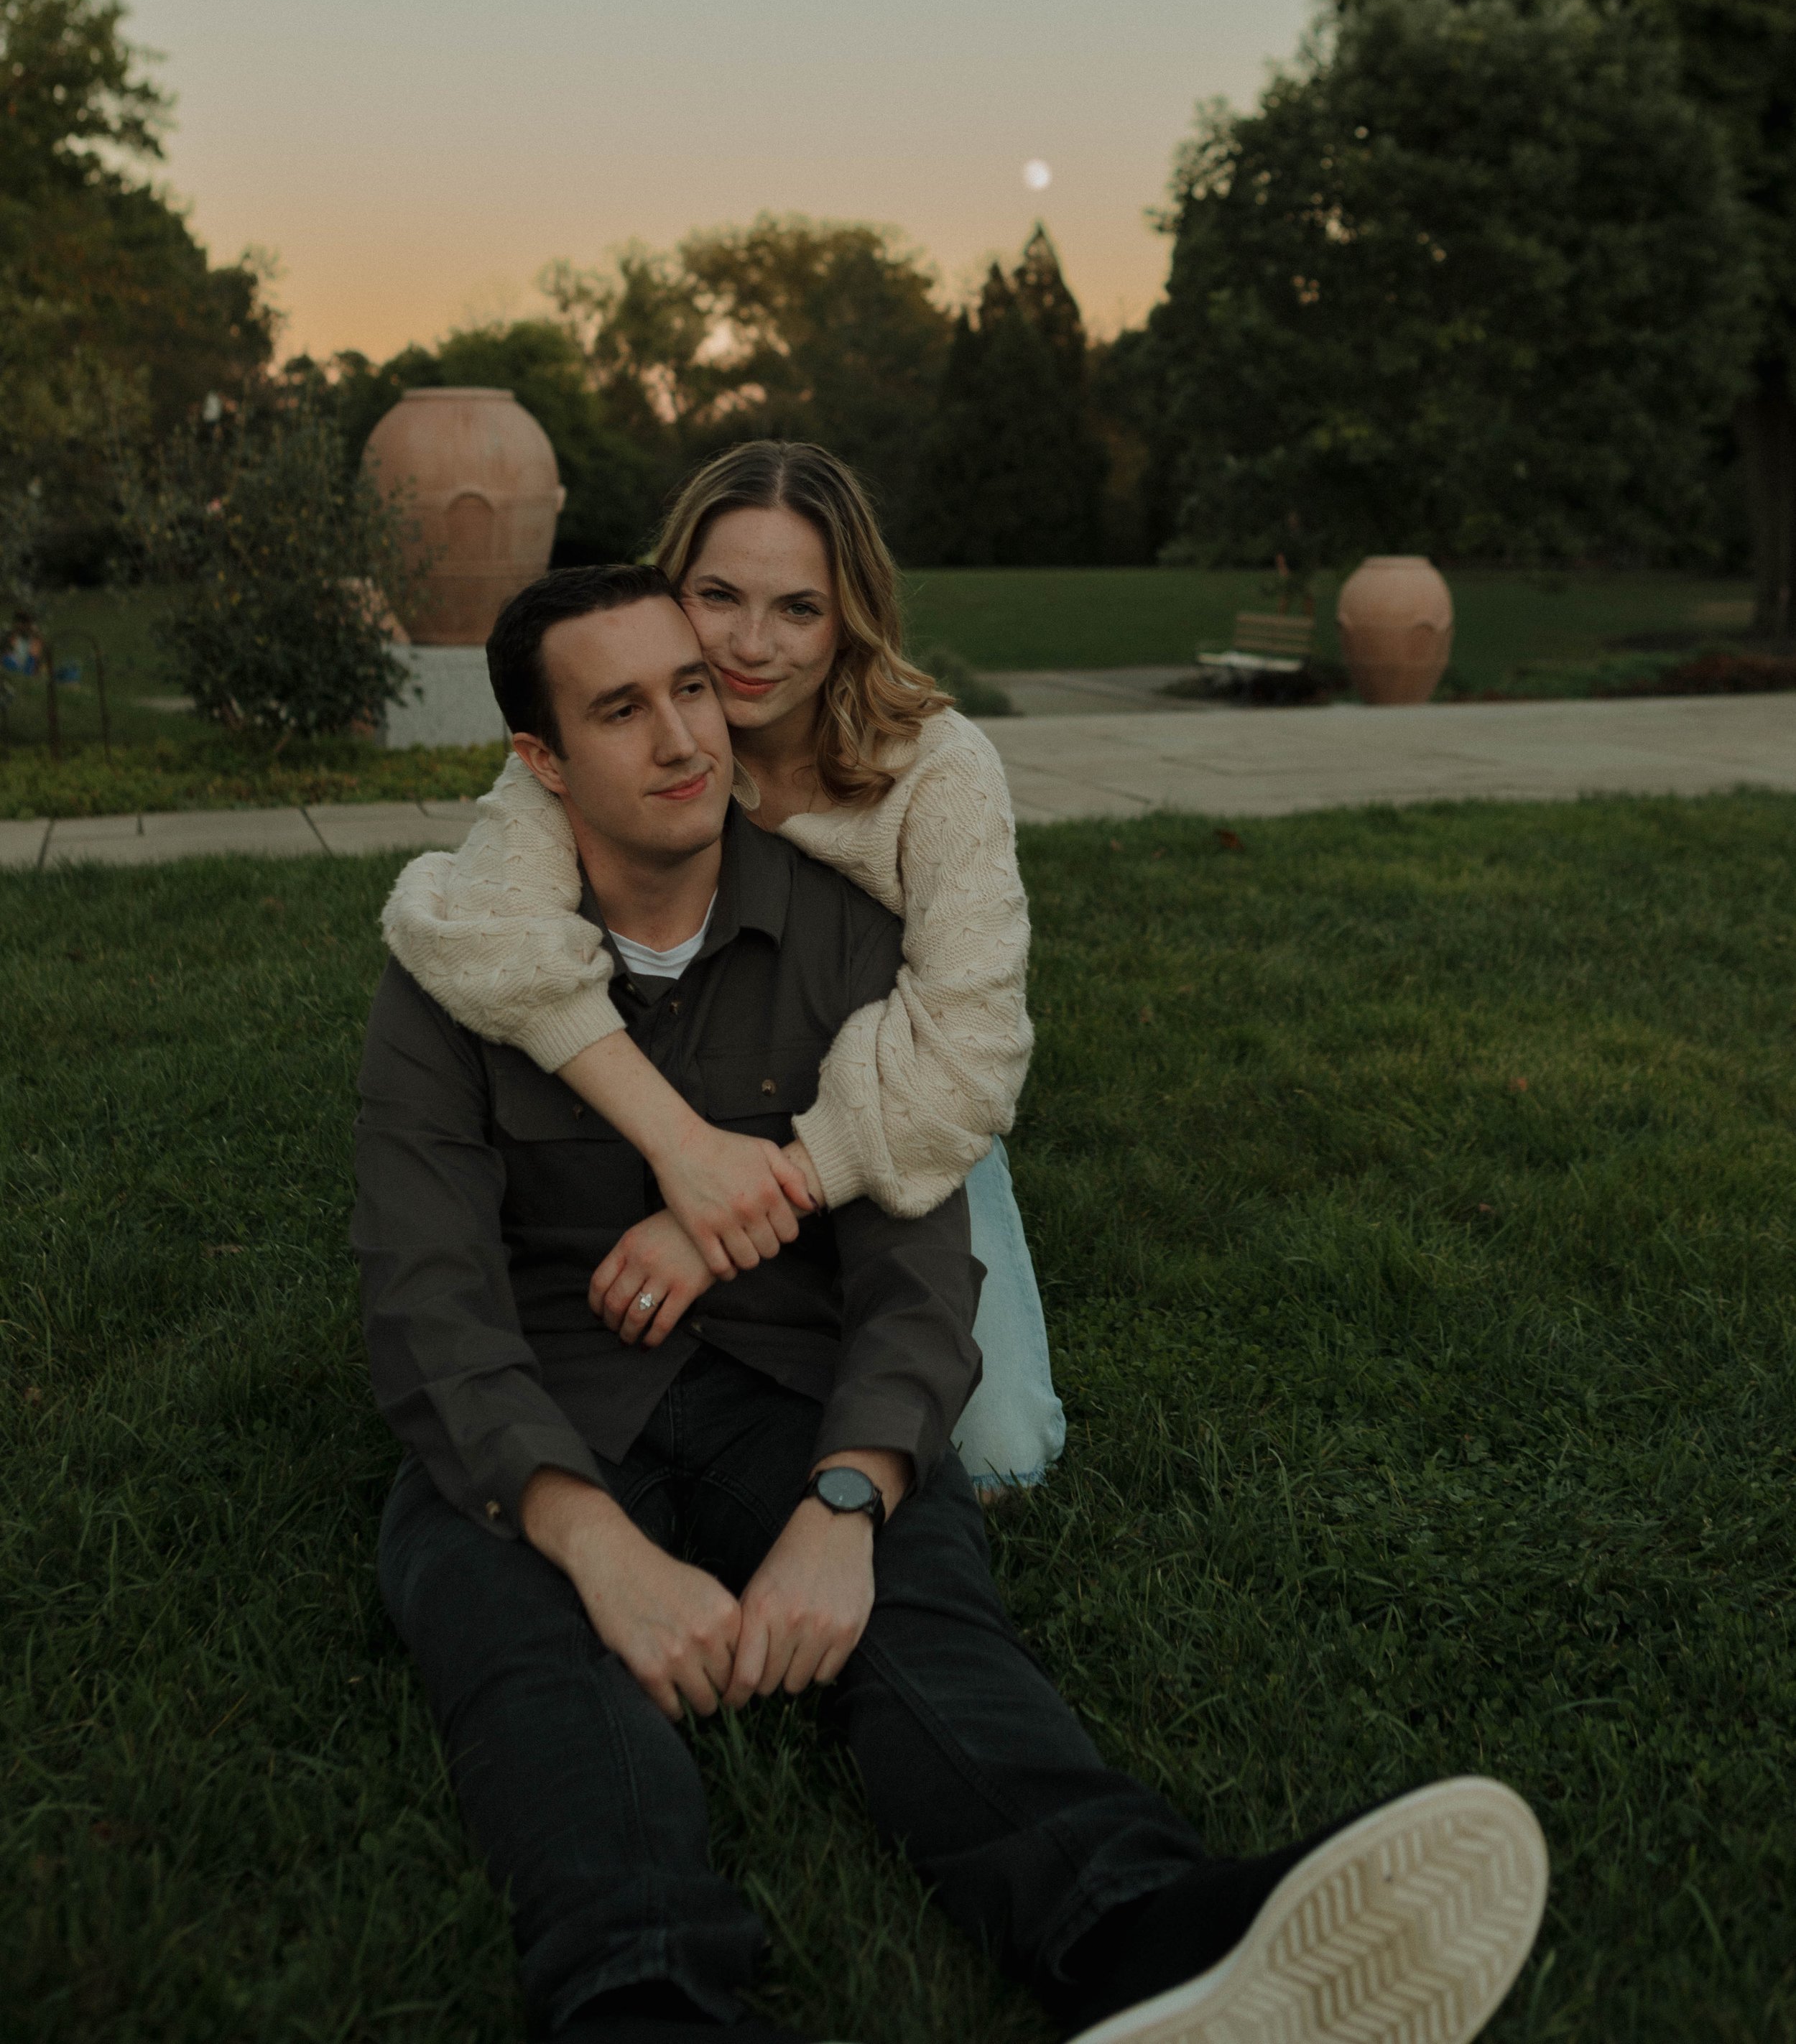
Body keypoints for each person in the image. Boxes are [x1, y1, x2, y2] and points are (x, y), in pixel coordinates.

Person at [354, 563, 1549, 2044]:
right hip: (543, 1404)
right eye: (619, 709)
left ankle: (1137, 1937)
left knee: (929, 1623)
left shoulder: (842, 933)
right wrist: (588, 1540)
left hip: (784, 1386)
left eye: (688, 687)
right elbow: (425, 1297)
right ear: (539, 762)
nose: (682, 738)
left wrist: (848, 1505)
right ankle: (640, 1996)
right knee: (523, 1646)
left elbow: (915, 1270)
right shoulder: (455, 968)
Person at [381, 440, 1063, 1495]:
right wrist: (681, 1145)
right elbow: (472, 929)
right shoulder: (623, 733)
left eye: (799, 607)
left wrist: (725, 1217)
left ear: (851, 616)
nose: (752, 645)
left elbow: (972, 1055)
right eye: (718, 596)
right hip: (713, 1077)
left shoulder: (940, 769)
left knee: (999, 1458)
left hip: (910, 1096)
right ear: (671, 587)